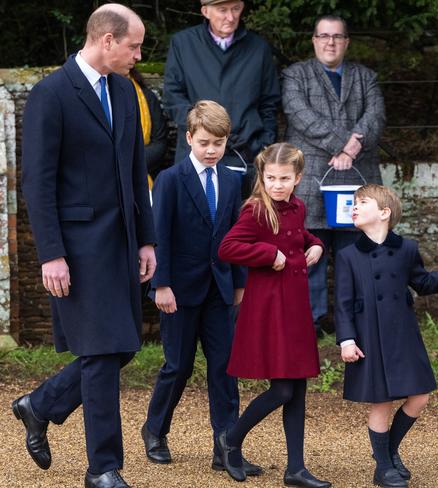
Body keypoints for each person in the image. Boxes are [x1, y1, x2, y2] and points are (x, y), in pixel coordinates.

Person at [15, 4, 156, 488]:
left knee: (123, 346)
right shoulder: (51, 95)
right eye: (134, 45)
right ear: (108, 40)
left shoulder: (124, 88)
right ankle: (104, 469)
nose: (139, 54)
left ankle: (41, 405)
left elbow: (136, 172)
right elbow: (37, 182)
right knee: (101, 353)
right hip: (76, 247)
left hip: (121, 244)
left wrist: (147, 240)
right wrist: (51, 252)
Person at [141, 100, 262, 477]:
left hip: (220, 288)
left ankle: (226, 446)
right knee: (178, 366)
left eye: (219, 143)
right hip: (177, 290)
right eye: (205, 142)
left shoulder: (230, 179)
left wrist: (240, 283)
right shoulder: (171, 180)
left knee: (225, 367)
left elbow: (235, 237)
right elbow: (160, 236)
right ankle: (155, 431)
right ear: (190, 137)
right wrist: (161, 285)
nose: (212, 150)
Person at [335, 184, 438, 488]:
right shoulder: (348, 255)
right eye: (353, 203)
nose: (354, 207)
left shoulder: (407, 248)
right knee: (381, 402)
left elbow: (422, 283)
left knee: (420, 396)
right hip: (368, 336)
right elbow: (342, 303)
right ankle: (383, 467)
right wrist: (346, 339)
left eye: (362, 202)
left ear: (384, 213)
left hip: (403, 334)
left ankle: (388, 451)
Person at [216, 143, 331, 488]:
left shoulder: (296, 206)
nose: (277, 185)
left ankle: (295, 468)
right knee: (282, 390)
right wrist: (268, 254)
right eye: (271, 178)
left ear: (297, 178)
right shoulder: (254, 210)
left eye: (284, 178)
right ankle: (230, 439)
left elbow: (299, 235)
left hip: (296, 306)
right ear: (261, 178)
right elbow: (228, 248)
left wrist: (317, 244)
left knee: (297, 389)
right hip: (271, 308)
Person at [283, 14, 386, 337]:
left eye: (337, 36)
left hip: (357, 178)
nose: (331, 42)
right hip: (312, 178)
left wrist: (353, 149)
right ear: (314, 40)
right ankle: (308, 323)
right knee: (309, 254)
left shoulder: (365, 76)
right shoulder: (295, 75)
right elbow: (299, 114)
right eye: (324, 36)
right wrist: (346, 143)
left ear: (346, 42)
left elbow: (376, 115)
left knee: (356, 255)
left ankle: (353, 322)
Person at [164, 0, 281, 197]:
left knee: (243, 223)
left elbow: (270, 101)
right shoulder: (183, 44)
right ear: (205, 11)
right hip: (196, 154)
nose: (231, 17)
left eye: (236, 9)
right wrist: (202, 128)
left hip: (246, 154)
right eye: (223, 10)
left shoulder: (259, 48)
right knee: (194, 222)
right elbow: (172, 96)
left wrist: (263, 143)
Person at [128, 67, 169, 180]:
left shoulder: (146, 96)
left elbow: (160, 141)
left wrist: (131, 163)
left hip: (142, 169)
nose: (138, 57)